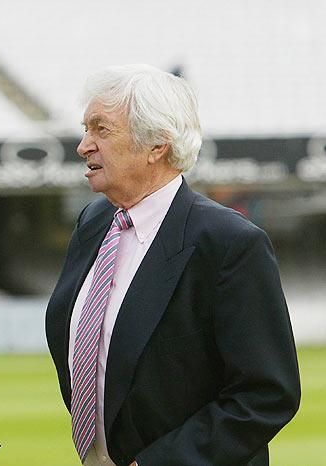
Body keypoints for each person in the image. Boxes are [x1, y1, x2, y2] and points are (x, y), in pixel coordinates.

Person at [45, 64, 300, 466]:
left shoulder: (229, 244)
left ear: (157, 145)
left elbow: (266, 394)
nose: (83, 145)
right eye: (85, 128)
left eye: (101, 130)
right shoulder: (93, 222)